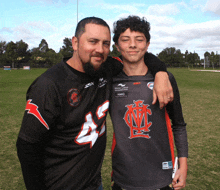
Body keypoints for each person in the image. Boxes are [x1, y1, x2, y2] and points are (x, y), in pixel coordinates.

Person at [16, 17, 172, 190]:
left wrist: (160, 72)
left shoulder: (105, 68)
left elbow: (138, 55)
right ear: (75, 43)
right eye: (93, 41)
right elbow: (27, 147)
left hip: (94, 183)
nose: (100, 50)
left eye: (105, 44)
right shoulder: (49, 85)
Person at [110, 16, 188, 190]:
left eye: (139, 40)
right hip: (123, 180)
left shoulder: (166, 80)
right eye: (125, 40)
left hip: (160, 178)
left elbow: (179, 124)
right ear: (117, 46)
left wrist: (183, 165)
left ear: (147, 45)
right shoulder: (109, 81)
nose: (132, 45)